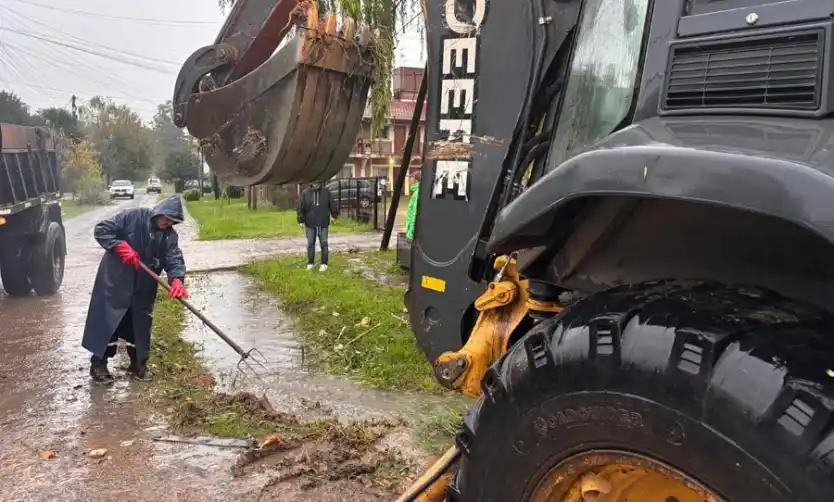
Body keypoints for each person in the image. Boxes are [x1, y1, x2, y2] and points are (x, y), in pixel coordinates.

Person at [82, 195, 189, 384]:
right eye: (167, 218)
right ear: (160, 211)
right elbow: (102, 229)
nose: (168, 223)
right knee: (109, 322)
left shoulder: (169, 235)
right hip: (116, 279)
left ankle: (138, 365)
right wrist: (119, 246)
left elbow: (173, 257)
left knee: (139, 324)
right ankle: (98, 365)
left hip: (144, 284)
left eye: (173, 221)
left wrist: (177, 279)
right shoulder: (132, 217)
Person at [297, 182, 338, 271]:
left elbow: (332, 204)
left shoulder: (326, 192)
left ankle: (324, 263)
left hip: (323, 222)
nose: (316, 183)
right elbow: (301, 207)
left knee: (324, 243)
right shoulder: (306, 193)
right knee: (310, 243)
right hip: (310, 222)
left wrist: (334, 216)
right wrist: (301, 221)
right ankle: (311, 263)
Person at [405, 171, 421, 241]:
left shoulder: (417, 193)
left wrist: (411, 230)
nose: (410, 179)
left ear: (416, 179)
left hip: (412, 231)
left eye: (411, 177)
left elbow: (415, 212)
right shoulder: (417, 191)